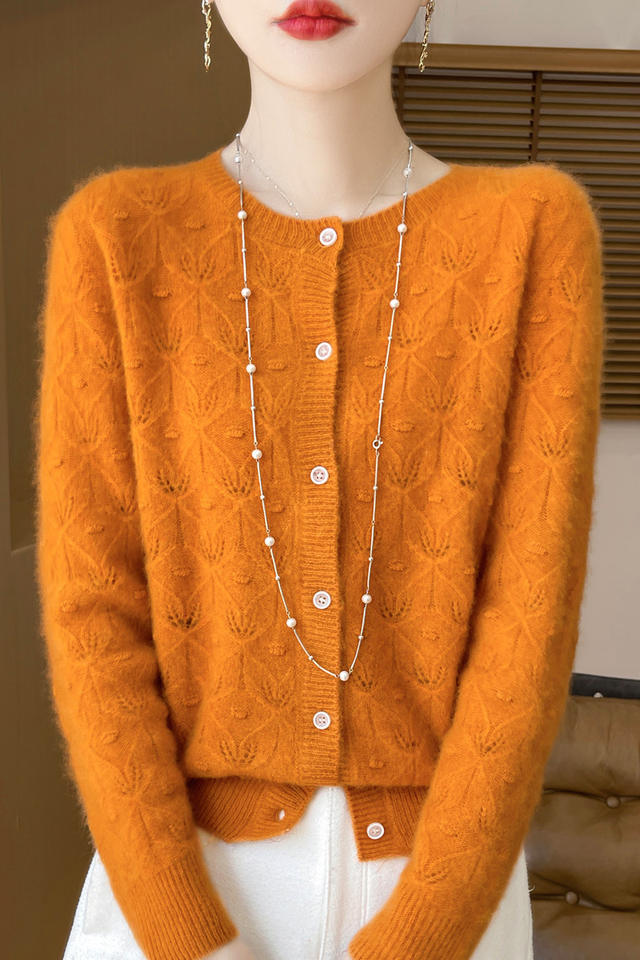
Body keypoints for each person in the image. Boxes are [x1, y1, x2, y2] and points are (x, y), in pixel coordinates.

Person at [34, 2, 604, 959]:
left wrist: (423, 936)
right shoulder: (117, 236)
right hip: (177, 893)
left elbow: (530, 615)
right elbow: (93, 615)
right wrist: (187, 937)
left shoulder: (532, 232)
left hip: (442, 896)